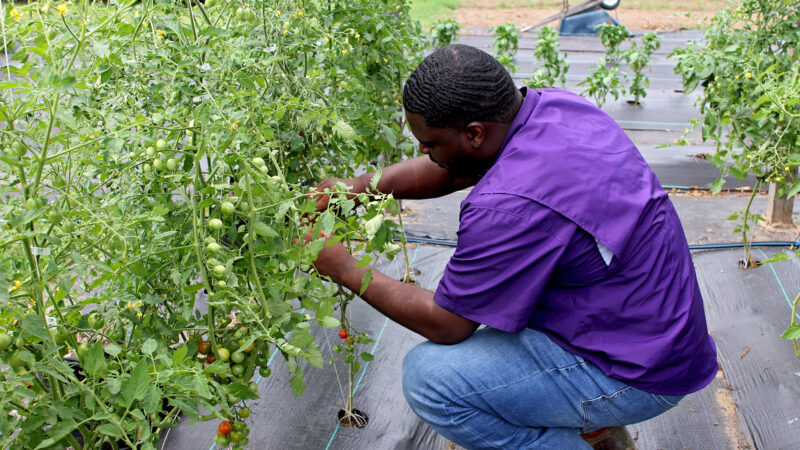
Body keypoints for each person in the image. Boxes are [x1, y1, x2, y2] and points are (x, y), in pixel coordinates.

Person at [310, 44, 717, 449]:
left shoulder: (508, 207)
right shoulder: (557, 109)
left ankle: (578, 431)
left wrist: (344, 267)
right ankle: (593, 429)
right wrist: (359, 188)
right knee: (494, 312)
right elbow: (456, 168)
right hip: (657, 331)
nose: (423, 151)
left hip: (639, 372)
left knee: (431, 379)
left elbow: (448, 323)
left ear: (474, 134)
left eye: (429, 143)